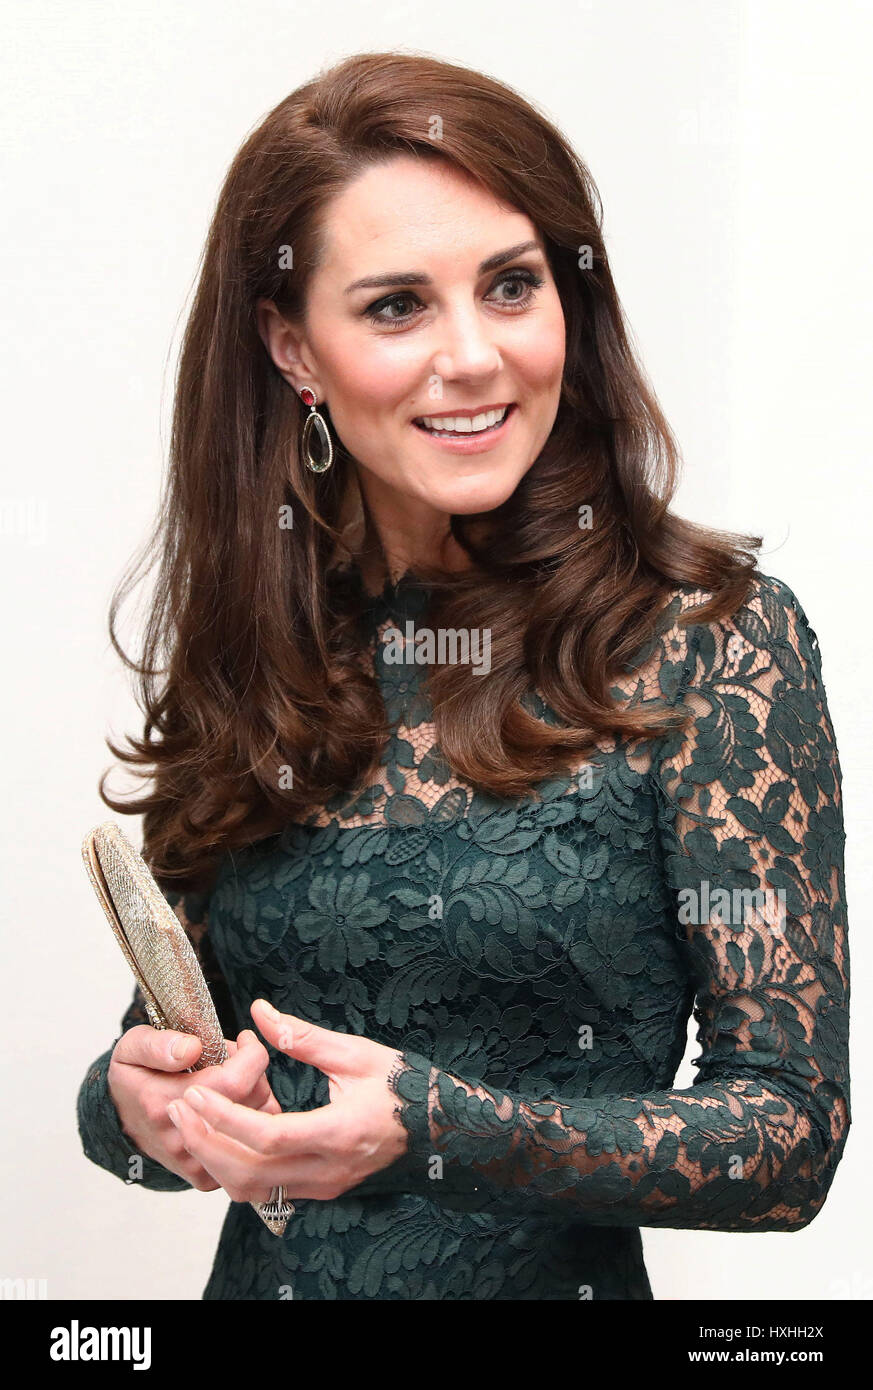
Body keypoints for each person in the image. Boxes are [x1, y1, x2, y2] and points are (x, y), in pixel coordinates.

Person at [76, 50, 850, 1301]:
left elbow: (790, 1131)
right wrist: (139, 1108)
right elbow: (160, 1065)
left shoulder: (710, 640)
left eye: (511, 285)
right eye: (396, 306)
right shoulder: (264, 647)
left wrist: (440, 1130)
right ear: (292, 348)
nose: (476, 355)